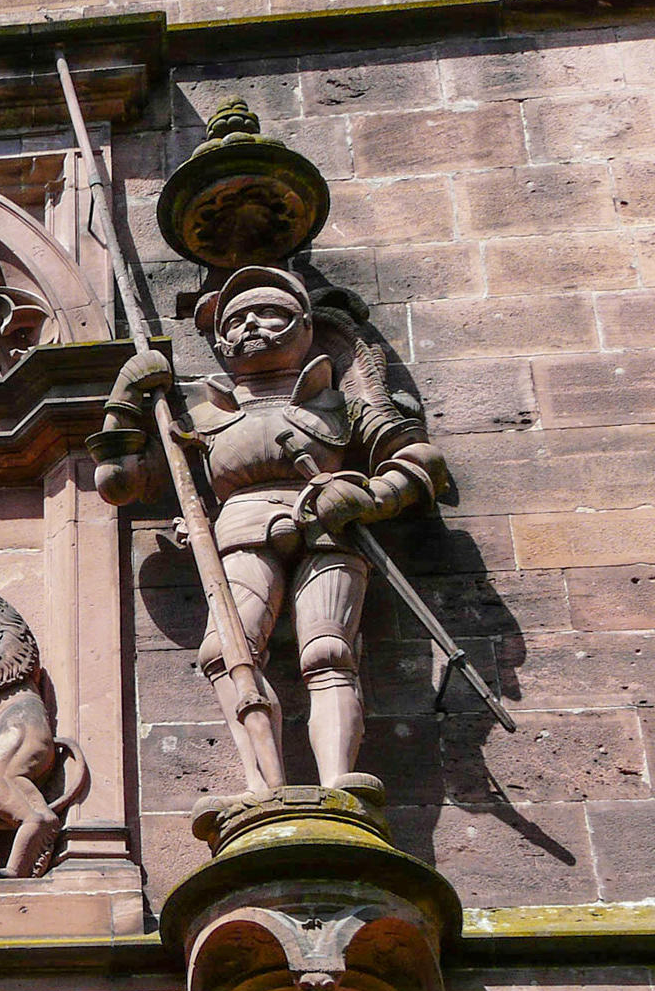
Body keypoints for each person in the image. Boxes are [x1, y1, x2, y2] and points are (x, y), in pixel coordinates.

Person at [88, 266, 447, 805]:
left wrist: (373, 496)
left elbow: (420, 460)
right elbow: (119, 483)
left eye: (270, 313)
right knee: (226, 652)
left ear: (305, 324)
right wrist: (125, 399)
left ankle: (337, 782)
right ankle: (262, 786)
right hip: (238, 528)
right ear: (219, 342)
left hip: (327, 525)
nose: (250, 325)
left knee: (328, 650)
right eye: (236, 320)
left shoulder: (340, 401)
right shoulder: (201, 415)